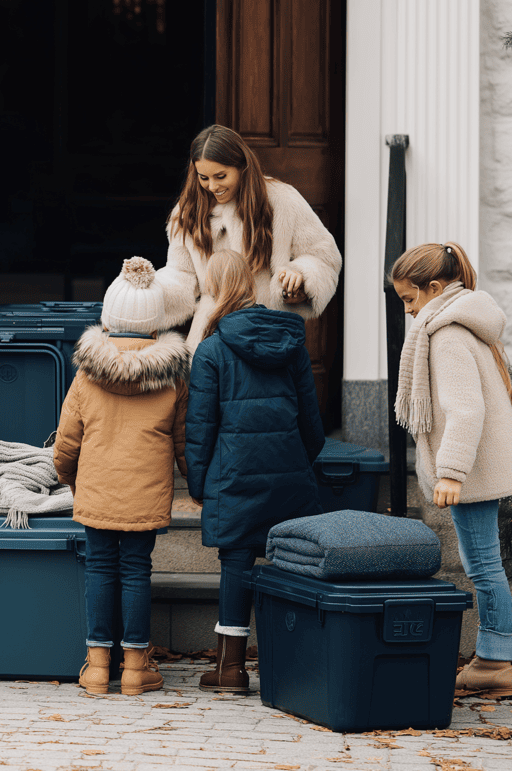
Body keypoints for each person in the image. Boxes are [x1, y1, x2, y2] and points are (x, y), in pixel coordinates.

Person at [185, 250, 325, 694]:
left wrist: (199, 481)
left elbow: (200, 427)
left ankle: (230, 669)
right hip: (288, 471)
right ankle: (297, 662)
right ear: (250, 283)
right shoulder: (291, 340)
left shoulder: (210, 350)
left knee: (237, 562)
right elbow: (312, 423)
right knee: (292, 560)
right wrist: (298, 460)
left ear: (213, 288)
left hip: (234, 474)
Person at [390, 241, 512, 697]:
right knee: (483, 562)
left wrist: (450, 471)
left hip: (474, 469)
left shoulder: (445, 334)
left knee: (484, 565)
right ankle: (494, 658)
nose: (408, 311)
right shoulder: (462, 323)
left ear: (433, 288)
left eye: (409, 300)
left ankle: (495, 663)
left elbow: (466, 411)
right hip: (481, 466)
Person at [53, 257, 190, 697]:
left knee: (99, 568)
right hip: (144, 495)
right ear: (154, 327)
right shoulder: (172, 378)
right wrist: (197, 482)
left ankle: (96, 668)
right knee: (135, 570)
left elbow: (67, 443)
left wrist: (70, 478)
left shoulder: (87, 374)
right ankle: (134, 667)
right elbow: (186, 441)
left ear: (108, 323)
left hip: (97, 490)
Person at [156, 124, 342, 349]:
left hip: (267, 337)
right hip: (211, 338)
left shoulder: (283, 200)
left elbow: (324, 255)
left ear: (242, 166)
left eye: (221, 176)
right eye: (203, 177)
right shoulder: (187, 212)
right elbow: (181, 274)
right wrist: (146, 293)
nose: (212, 186)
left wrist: (300, 277)